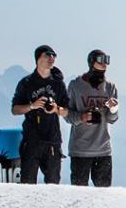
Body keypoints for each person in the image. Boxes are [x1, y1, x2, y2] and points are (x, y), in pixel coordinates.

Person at [10, 44, 70, 185]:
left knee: (53, 185)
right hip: (31, 140)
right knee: (28, 184)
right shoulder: (26, 83)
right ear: (38, 59)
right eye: (47, 55)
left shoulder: (58, 84)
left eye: (53, 55)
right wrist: (32, 106)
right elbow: (15, 110)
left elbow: (67, 111)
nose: (51, 58)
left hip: (52, 141)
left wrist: (56, 109)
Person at [67, 49, 120, 187]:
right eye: (101, 60)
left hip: (103, 150)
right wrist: (82, 117)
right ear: (91, 62)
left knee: (103, 196)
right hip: (80, 150)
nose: (105, 64)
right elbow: (67, 115)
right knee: (78, 197)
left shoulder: (110, 87)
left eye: (107, 60)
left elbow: (112, 119)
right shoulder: (75, 85)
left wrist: (113, 109)